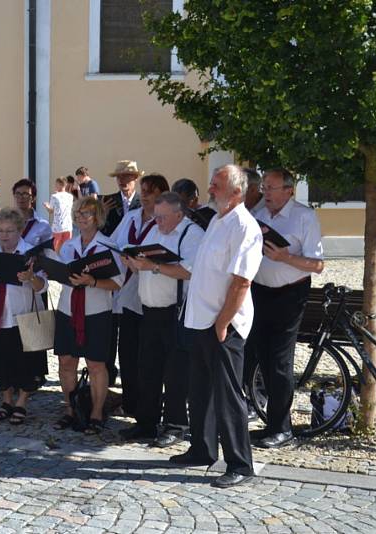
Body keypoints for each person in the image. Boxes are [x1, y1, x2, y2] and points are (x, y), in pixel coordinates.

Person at [170, 164, 262, 489]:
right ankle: (202, 449)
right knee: (200, 394)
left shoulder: (245, 226)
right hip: (200, 321)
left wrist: (223, 322)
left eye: (217, 184)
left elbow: (241, 282)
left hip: (223, 325)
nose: (210, 188)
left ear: (237, 191)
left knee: (228, 396)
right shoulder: (218, 220)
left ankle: (240, 463)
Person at [118, 192, 204, 445]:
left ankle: (175, 425)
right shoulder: (156, 231)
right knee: (148, 368)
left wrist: (153, 267)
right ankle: (147, 422)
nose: (157, 222)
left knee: (175, 372)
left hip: (175, 312)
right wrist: (135, 263)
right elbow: (146, 262)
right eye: (155, 217)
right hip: (150, 310)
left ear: (179, 214)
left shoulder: (192, 235)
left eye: (163, 217)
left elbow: (189, 272)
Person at [248, 168, 324, 449]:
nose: (265, 192)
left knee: (280, 361)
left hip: (290, 295)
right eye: (264, 187)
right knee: (263, 357)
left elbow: (317, 264)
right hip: (260, 292)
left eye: (271, 187)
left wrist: (285, 257)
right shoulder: (258, 216)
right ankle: (272, 423)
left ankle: (283, 429)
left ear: (288, 190)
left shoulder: (304, 216)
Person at [52, 196, 124, 435]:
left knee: (95, 364)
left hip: (96, 312)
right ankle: (71, 410)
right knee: (66, 361)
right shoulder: (69, 246)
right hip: (67, 309)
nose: (81, 218)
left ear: (98, 218)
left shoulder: (108, 246)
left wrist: (92, 281)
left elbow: (117, 283)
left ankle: (95, 412)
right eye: (78, 214)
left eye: (86, 214)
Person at [0, 208, 49, 425]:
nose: (4, 235)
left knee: (26, 363)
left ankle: (22, 403)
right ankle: (6, 401)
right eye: (0, 231)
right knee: (1, 361)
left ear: (20, 230)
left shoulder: (31, 254)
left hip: (24, 316)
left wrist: (30, 277)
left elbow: (42, 287)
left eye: (10, 231)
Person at [109, 174, 168, 419]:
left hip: (154, 296)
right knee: (129, 353)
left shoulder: (165, 222)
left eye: (150, 191)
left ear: (161, 195)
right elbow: (113, 244)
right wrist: (123, 258)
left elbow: (168, 256)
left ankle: (151, 406)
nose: (144, 195)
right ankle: (131, 402)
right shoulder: (131, 218)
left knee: (151, 357)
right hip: (128, 294)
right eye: (143, 190)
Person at [101, 160, 143, 237]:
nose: (121, 180)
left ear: (135, 177)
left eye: (125, 176)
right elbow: (100, 231)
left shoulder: (143, 202)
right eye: (118, 177)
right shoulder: (108, 201)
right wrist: (101, 216)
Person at [12, 179, 52, 247]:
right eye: (18, 194)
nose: (21, 197)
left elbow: (48, 253)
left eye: (25, 194)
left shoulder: (43, 225)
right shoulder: (5, 222)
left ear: (33, 198)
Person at [42, 177, 73, 253]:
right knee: (66, 250)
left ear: (59, 184)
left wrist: (46, 205)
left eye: (56, 184)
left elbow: (51, 211)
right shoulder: (70, 196)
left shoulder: (54, 196)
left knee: (54, 250)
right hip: (68, 226)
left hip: (57, 227)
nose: (55, 186)